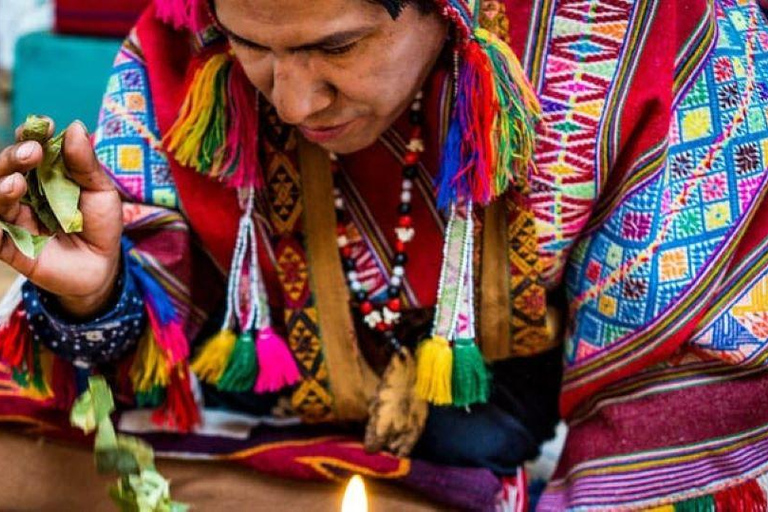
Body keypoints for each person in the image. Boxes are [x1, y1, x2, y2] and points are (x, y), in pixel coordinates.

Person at [1, 0, 768, 510]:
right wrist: (93, 295)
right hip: (245, 421)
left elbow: (675, 401)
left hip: (484, 432)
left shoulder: (660, 45)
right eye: (253, 46)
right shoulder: (187, 43)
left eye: (336, 46)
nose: (292, 103)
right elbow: (131, 360)